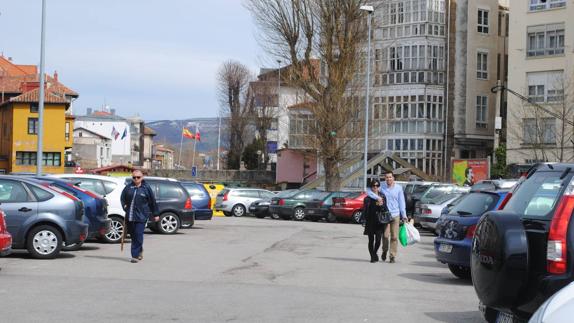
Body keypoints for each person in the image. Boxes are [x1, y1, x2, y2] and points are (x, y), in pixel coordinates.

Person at [120, 170, 159, 263]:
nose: (136, 179)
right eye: (134, 177)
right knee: (134, 236)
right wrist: (125, 207)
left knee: (138, 234)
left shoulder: (146, 188)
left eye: (138, 177)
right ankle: (139, 250)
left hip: (141, 216)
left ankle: (135, 256)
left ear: (142, 177)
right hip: (130, 216)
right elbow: (122, 198)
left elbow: (152, 202)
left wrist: (156, 214)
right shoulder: (128, 187)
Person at [380, 171, 407, 263]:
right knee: (385, 236)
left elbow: (401, 202)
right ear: (385, 179)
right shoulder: (382, 188)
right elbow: (374, 195)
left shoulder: (399, 188)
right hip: (386, 215)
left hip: (396, 215)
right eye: (387, 177)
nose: (388, 179)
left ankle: (392, 256)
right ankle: (384, 250)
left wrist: (404, 215)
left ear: (393, 178)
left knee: (394, 237)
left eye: (390, 177)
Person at [363, 179, 387, 263]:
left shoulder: (382, 196)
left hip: (379, 221)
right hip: (370, 221)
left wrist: (381, 205)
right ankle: (372, 257)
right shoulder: (367, 198)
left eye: (377, 185)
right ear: (371, 187)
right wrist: (363, 220)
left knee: (378, 240)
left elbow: (385, 209)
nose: (375, 187)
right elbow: (365, 210)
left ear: (379, 187)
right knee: (371, 240)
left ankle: (375, 252)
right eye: (373, 186)